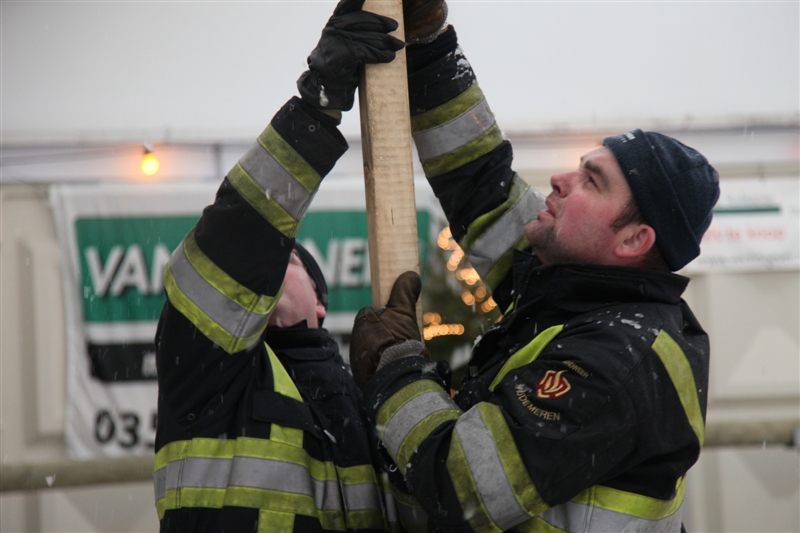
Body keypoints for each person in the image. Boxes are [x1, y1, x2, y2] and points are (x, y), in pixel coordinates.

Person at [349, 2, 720, 531]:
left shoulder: (621, 358)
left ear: (634, 240)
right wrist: (429, 48)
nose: (561, 180)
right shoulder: (572, 294)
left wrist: (397, 369)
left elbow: (465, 489)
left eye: (592, 182)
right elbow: (481, 185)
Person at [151, 1, 421, 531]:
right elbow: (238, 242)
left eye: (290, 258)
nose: (268, 266)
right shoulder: (209, 375)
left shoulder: (369, 406)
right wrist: (315, 108)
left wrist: (404, 383)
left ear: (320, 301)